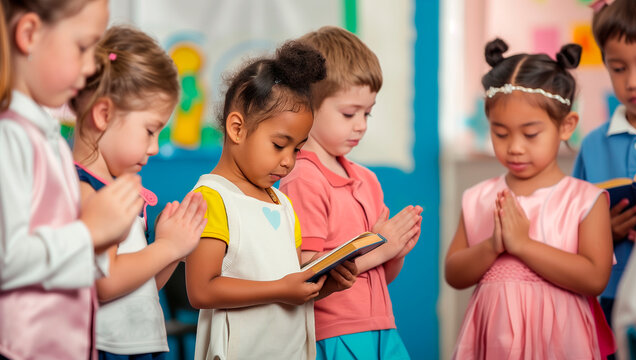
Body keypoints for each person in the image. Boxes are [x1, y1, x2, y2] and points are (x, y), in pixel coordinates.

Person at [185, 41, 357, 360]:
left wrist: (323, 284)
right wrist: (281, 288)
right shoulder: (212, 198)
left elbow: (289, 284)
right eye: (279, 145)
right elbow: (202, 290)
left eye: (297, 149)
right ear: (237, 128)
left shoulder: (282, 203)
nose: (288, 161)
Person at [445, 38, 614, 359]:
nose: (515, 147)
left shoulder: (585, 200)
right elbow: (454, 273)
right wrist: (492, 245)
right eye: (501, 133)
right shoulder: (478, 197)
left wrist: (523, 245)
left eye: (531, 134)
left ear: (566, 126)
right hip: (494, 341)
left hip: (560, 341)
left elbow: (594, 278)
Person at [0, 1, 144, 359]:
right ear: (29, 34)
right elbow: (8, 259)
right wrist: (90, 233)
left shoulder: (49, 139)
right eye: (82, 47)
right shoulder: (9, 137)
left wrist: (103, 238)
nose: (93, 65)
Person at [279, 26, 423, 359]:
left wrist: (398, 249)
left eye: (367, 112)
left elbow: (381, 276)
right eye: (349, 113)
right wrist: (382, 248)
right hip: (334, 335)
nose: (361, 124)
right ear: (306, 107)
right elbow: (307, 275)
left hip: (380, 327)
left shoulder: (366, 179)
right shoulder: (303, 178)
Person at [69, 25, 208, 360]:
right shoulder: (84, 190)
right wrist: (166, 247)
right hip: (106, 349)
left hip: (140, 347)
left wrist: (173, 251)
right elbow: (105, 285)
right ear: (104, 114)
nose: (155, 148)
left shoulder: (120, 190)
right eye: (150, 131)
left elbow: (142, 288)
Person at [573, 0, 636, 330]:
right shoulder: (593, 145)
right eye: (619, 68)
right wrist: (604, 233)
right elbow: (572, 226)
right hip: (613, 293)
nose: (633, 81)